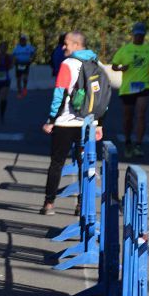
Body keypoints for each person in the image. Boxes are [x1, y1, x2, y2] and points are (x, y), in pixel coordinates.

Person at [41, 31, 103, 216]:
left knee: (57, 163)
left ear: (76, 45)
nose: (63, 47)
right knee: (84, 164)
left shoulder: (67, 64)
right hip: (88, 123)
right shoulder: (96, 65)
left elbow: (59, 95)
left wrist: (51, 120)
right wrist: (99, 123)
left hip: (65, 123)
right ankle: (81, 205)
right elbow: (102, 97)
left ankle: (49, 203)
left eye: (66, 44)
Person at [111, 22, 149, 158]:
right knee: (128, 117)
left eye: (141, 35)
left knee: (141, 115)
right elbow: (114, 66)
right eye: (137, 35)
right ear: (133, 35)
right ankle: (127, 142)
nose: (139, 37)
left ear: (144, 35)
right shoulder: (125, 50)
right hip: (127, 88)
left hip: (143, 86)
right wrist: (120, 68)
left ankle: (138, 144)